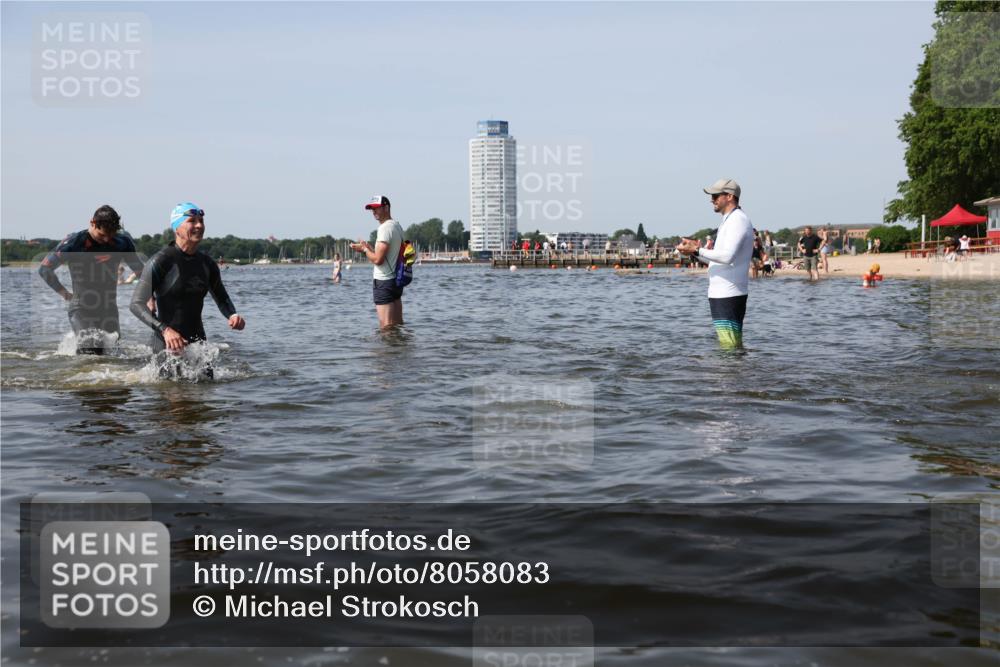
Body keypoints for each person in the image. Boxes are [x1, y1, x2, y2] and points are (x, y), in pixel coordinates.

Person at [130, 203, 245, 373]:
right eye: (192, 221)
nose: (199, 225)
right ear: (177, 228)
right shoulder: (161, 260)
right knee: (173, 396)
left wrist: (233, 315)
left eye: (201, 221)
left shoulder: (207, 263)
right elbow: (136, 304)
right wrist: (166, 330)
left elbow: (221, 297)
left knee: (202, 395)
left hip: (198, 345)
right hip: (166, 343)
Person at [38, 204, 145, 354]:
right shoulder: (74, 242)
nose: (107, 240)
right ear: (92, 223)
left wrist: (150, 297)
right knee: (89, 350)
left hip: (109, 309)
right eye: (102, 235)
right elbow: (44, 269)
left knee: (114, 354)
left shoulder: (123, 242)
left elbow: (141, 272)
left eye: (111, 235)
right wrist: (64, 293)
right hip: (81, 308)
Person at [676, 179, 754, 350]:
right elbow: (716, 258)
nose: (712, 199)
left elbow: (727, 257)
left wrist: (697, 249)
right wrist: (693, 252)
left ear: (730, 196)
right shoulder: (729, 220)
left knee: (730, 347)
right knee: (729, 346)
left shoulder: (738, 220)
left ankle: (731, 375)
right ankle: (734, 375)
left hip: (729, 293)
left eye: (716, 195)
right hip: (722, 293)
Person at [350, 195, 404, 329]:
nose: (373, 212)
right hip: (396, 281)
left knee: (386, 327)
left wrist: (364, 250)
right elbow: (388, 255)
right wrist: (368, 249)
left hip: (384, 282)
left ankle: (387, 350)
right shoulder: (397, 226)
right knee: (397, 325)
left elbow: (378, 260)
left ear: (386, 208)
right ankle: (398, 350)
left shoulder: (384, 228)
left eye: (376, 208)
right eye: (372, 209)